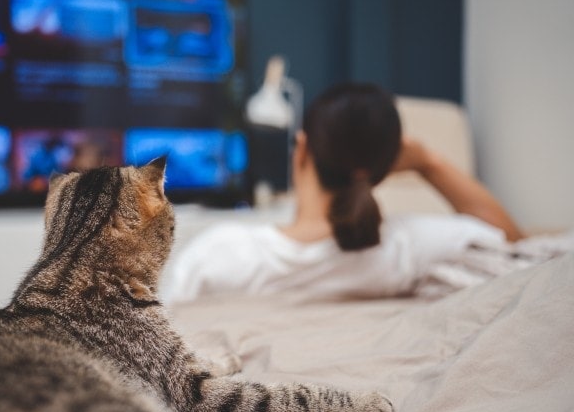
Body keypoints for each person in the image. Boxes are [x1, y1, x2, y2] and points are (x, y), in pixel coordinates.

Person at [163, 82, 532, 305]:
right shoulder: (405, 246)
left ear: (302, 149)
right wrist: (427, 161)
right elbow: (511, 242)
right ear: (383, 169)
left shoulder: (219, 253)